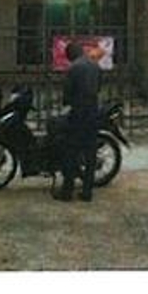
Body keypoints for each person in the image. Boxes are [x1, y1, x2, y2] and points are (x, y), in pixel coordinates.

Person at [55, 40, 102, 202]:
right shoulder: (95, 66)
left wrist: (67, 104)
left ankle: (67, 191)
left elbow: (67, 94)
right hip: (93, 113)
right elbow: (99, 87)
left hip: (78, 114)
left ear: (70, 55)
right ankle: (87, 191)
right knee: (90, 153)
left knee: (70, 151)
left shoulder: (73, 68)